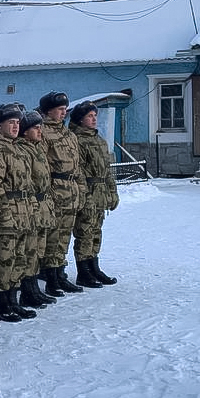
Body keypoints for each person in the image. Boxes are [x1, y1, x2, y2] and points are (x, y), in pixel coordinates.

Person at [0, 103, 37, 322]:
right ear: (0, 125)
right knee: (5, 261)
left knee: (19, 259)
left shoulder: (19, 148)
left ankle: (13, 301)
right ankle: (2, 305)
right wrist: (4, 213)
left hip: (23, 211)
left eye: (18, 122)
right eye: (11, 122)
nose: (16, 126)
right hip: (7, 212)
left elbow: (29, 183)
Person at [36, 91, 84, 296]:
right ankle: (51, 277)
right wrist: (47, 193)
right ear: (49, 111)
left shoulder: (69, 134)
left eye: (65, 109)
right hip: (56, 189)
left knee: (64, 236)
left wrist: (81, 189)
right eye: (60, 109)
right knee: (53, 236)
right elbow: (41, 166)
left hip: (71, 190)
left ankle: (60, 272)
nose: (64, 113)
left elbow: (77, 165)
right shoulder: (43, 132)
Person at [69, 101, 120, 288]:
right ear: (80, 119)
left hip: (100, 192)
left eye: (95, 116)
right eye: (89, 116)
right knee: (84, 232)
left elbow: (107, 171)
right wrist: (85, 195)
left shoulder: (99, 141)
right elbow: (79, 171)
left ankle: (94, 267)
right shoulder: (77, 140)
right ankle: (83, 271)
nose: (94, 119)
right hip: (88, 191)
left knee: (96, 231)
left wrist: (112, 192)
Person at [17, 110, 59, 309]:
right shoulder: (22, 150)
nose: (40, 131)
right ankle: (27, 290)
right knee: (29, 249)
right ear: (25, 131)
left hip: (43, 204)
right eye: (35, 128)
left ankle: (33, 288)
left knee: (38, 249)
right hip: (31, 204)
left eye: (40, 127)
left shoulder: (37, 149)